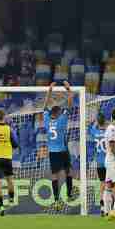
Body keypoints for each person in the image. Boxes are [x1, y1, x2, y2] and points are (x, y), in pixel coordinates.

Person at [90, 107, 115, 222]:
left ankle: (107, 212)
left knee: (108, 186)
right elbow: (112, 146)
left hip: (109, 161)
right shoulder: (112, 129)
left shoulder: (113, 128)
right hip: (113, 162)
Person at [42, 81, 74, 210]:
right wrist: (68, 89)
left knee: (54, 175)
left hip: (52, 152)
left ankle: (56, 200)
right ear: (59, 113)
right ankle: (69, 194)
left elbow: (45, 106)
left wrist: (49, 90)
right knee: (69, 172)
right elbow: (70, 104)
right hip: (63, 150)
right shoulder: (62, 119)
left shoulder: (46, 119)